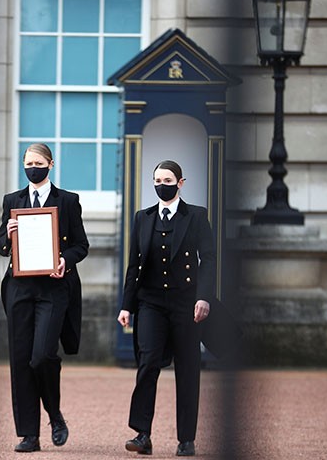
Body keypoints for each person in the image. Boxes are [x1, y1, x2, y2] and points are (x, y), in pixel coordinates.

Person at [116, 160, 216, 457]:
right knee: (147, 364)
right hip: (150, 303)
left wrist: (204, 297)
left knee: (187, 369)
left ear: (180, 183)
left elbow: (208, 259)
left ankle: (186, 439)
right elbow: (134, 264)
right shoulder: (142, 218)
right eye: (157, 179)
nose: (162, 184)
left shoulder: (196, 216)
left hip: (186, 303)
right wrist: (126, 305)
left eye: (168, 179)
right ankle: (142, 434)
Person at [0, 143, 89, 453]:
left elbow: (81, 245)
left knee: (42, 355)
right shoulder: (13, 200)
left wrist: (65, 260)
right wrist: (7, 235)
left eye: (38, 162)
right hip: (19, 288)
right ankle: (29, 435)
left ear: (50, 164)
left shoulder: (68, 201)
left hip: (54, 287)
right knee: (21, 361)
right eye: (28, 162)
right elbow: (0, 246)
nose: (32, 167)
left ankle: (54, 413)